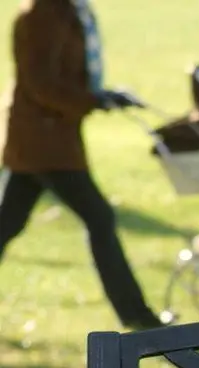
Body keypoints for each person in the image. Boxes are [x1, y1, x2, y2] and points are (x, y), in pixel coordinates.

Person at [1, 0, 165, 330]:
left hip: (50, 139)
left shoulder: (68, 9)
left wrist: (102, 95)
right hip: (43, 142)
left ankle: (136, 315)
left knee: (7, 224)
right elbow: (40, 83)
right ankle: (136, 315)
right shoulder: (41, 14)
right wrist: (92, 100)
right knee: (99, 217)